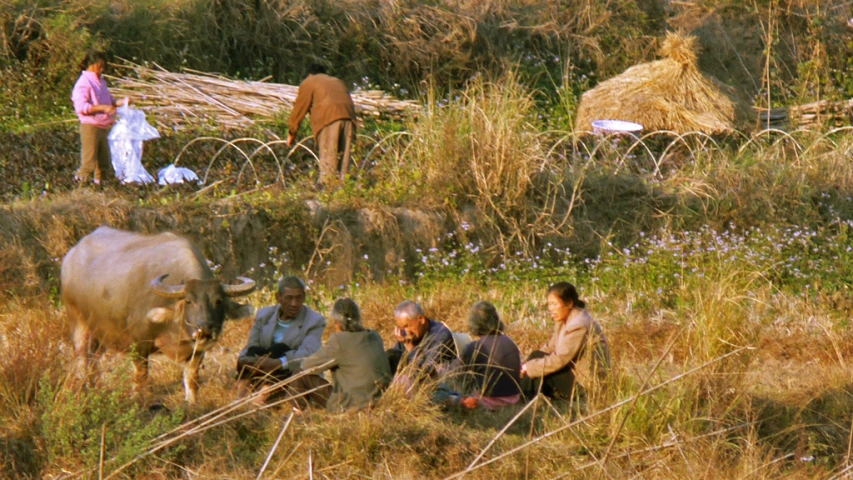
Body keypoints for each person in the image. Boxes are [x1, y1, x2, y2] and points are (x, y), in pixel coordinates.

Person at [291, 298, 392, 411]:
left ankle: (298, 413)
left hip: (350, 404)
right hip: (379, 400)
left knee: (298, 374)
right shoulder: (375, 336)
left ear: (337, 323)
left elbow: (306, 366)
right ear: (358, 318)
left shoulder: (339, 341)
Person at [236, 276, 326, 400]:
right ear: (278, 298)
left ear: (304, 297)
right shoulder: (264, 315)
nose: (294, 304)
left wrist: (279, 363)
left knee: (278, 348)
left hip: (289, 373)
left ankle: (263, 396)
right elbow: (252, 343)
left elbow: (308, 354)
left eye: (298, 298)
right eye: (289, 298)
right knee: (253, 352)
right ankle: (240, 396)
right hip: (261, 367)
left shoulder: (314, 321)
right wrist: (245, 359)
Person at [521, 282, 611, 401]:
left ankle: (519, 399)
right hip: (572, 376)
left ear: (569, 303)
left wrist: (530, 367)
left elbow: (560, 359)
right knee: (536, 356)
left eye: (554, 304)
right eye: (549, 304)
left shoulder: (579, 325)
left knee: (536, 366)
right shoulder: (565, 320)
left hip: (585, 387)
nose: (550, 309)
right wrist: (525, 365)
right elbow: (550, 348)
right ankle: (521, 398)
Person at [443, 301, 522, 410]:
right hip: (514, 399)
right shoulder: (510, 342)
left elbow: (452, 372)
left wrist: (438, 370)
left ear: (474, 324)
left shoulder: (475, 347)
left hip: (489, 403)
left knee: (449, 392)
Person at [286, 64, 357, 186]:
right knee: (344, 160)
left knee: (329, 157)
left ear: (310, 74)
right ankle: (345, 188)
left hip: (329, 118)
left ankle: (326, 190)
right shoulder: (337, 81)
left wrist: (292, 132)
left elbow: (299, 109)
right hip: (349, 117)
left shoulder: (310, 82)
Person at [71, 50, 128, 185]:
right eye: (100, 66)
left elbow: (109, 101)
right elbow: (81, 107)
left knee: (104, 163)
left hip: (104, 126)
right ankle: (78, 187)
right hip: (91, 127)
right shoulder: (83, 83)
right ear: (91, 65)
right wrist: (103, 108)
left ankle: (102, 188)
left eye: (103, 66)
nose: (102, 69)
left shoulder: (101, 82)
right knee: (89, 163)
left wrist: (121, 102)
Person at [386, 300, 457, 380]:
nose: (406, 331)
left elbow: (425, 372)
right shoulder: (406, 333)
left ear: (421, 319)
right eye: (402, 327)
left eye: (407, 326)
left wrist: (410, 348)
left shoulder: (440, 335)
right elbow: (397, 361)